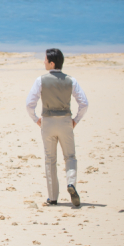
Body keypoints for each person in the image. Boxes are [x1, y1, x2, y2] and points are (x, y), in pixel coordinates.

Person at [26, 48, 89, 207]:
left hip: (47, 121)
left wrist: (36, 119)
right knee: (70, 156)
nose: (44, 62)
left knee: (50, 159)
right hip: (65, 121)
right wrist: (75, 120)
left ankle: (53, 197)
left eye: (45, 59)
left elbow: (29, 104)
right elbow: (84, 103)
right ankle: (71, 183)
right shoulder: (71, 80)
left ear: (52, 62)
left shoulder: (41, 80)